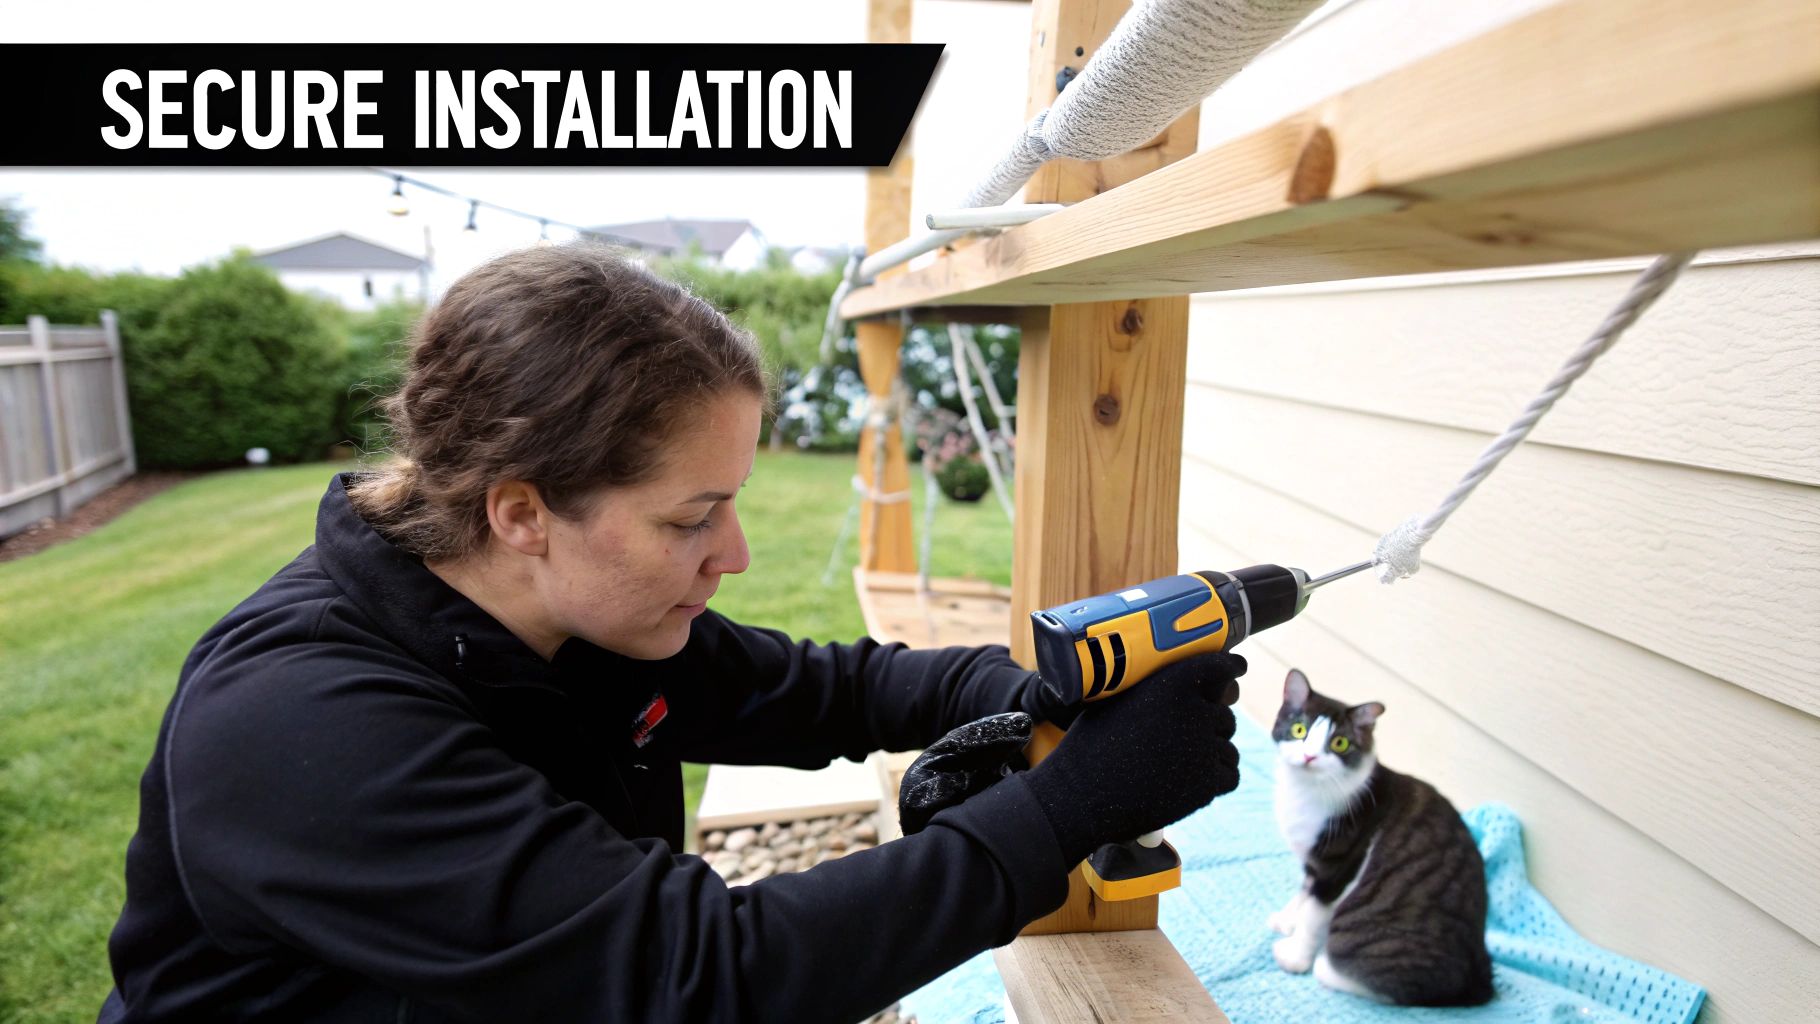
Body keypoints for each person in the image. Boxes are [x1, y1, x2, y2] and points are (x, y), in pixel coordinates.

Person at [98, 243, 1246, 1023]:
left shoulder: (550, 614)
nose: (733, 551)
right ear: (520, 510)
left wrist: (1019, 691)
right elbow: (697, 978)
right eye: (693, 516)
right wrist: (1064, 808)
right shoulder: (304, 732)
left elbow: (811, 690)